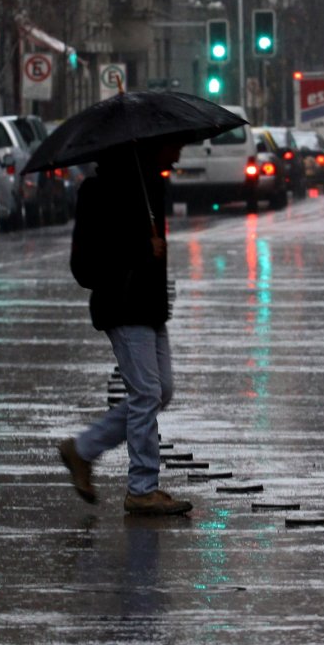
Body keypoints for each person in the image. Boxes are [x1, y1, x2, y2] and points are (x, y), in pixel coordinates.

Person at [58, 139, 193, 516]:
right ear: (148, 148)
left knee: (159, 391)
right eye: (174, 146)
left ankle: (82, 449)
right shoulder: (98, 191)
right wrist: (141, 250)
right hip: (122, 306)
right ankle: (142, 487)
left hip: (150, 306)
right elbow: (85, 263)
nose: (179, 151)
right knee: (148, 392)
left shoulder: (151, 185)